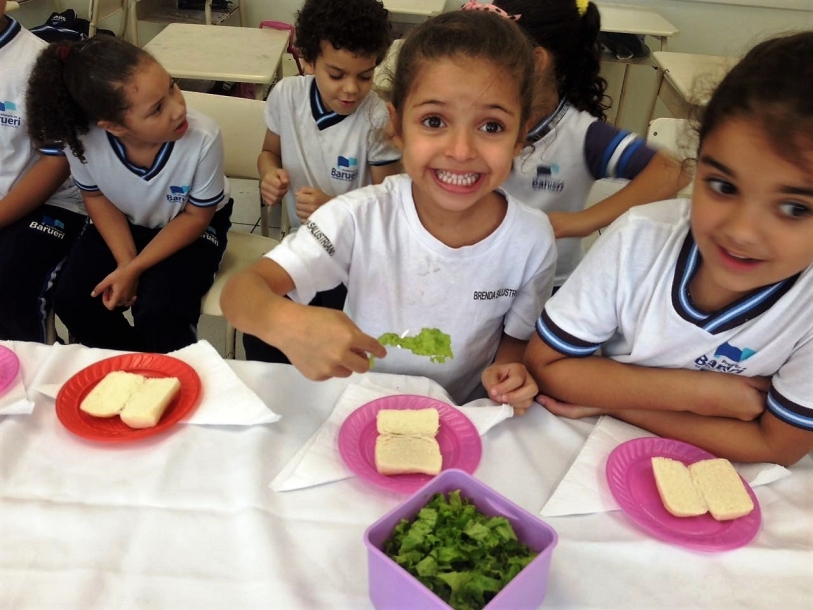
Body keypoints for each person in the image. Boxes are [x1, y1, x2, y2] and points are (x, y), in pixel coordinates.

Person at [222, 10, 557, 409]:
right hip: (357, 408)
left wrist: (508, 373)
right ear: (397, 125)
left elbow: (515, 339)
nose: (461, 151)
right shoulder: (359, 216)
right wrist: (285, 323)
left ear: (522, 134)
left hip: (461, 416)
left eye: (492, 127)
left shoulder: (531, 240)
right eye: (434, 120)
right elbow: (241, 294)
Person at [524, 32, 813, 466]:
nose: (743, 231)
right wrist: (699, 394)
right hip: (586, 452)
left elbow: (778, 447)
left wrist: (618, 401)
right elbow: (547, 367)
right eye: (722, 186)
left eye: (794, 208)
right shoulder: (640, 238)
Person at [26, 36, 232, 353]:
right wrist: (125, 262)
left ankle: (171, 371)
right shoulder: (81, 140)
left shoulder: (203, 137)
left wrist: (132, 270)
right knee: (76, 299)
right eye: (157, 108)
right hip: (123, 218)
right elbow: (96, 198)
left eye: (173, 87)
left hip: (191, 223)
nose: (179, 109)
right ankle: (132, 364)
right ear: (115, 127)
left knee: (160, 308)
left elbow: (196, 216)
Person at [484, 0, 690, 289]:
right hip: (477, 272)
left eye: (488, 52)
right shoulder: (477, 120)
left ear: (535, 60)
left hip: (547, 285)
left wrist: (582, 221)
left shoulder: (580, 134)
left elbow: (671, 171)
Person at [246, 0, 402, 361]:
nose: (351, 89)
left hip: (357, 253)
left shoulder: (377, 117)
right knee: (263, 334)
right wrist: (270, 174)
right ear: (309, 61)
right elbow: (268, 153)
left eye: (365, 76)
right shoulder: (287, 96)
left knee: (335, 336)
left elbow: (388, 204)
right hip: (305, 243)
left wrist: (336, 209)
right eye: (336, 75)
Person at [0, 0, 86, 342]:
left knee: (8, 284)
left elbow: (56, 160)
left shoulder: (39, 64)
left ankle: (30, 375)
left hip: (46, 203)